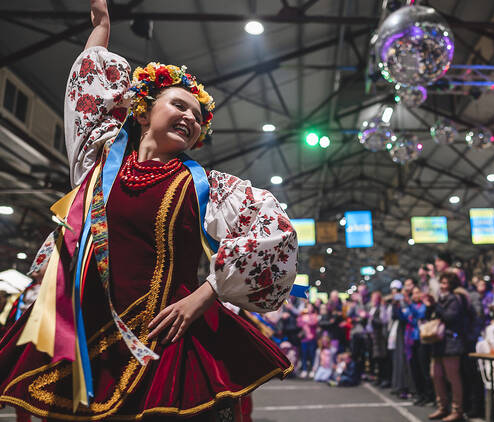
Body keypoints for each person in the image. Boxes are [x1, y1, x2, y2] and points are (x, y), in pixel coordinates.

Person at [0, 1, 298, 419]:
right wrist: (103, 26)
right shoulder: (100, 164)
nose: (190, 117)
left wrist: (203, 297)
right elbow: (90, 90)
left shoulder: (210, 188)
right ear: (143, 111)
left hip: (167, 336)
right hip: (85, 338)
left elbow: (275, 233)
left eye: (197, 116)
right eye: (178, 105)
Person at [428, 272, 470, 422]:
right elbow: (432, 316)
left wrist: (435, 305)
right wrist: (431, 306)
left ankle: (457, 410)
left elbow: (450, 317)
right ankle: (442, 407)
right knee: (436, 375)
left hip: (451, 343)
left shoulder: (454, 299)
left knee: (453, 377)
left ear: (452, 285)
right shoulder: (441, 299)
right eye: (442, 283)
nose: (443, 286)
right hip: (438, 343)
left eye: (446, 283)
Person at [297, 303, 319, 378]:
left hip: (312, 338)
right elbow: (299, 323)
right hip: (304, 339)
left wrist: (306, 320)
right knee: (304, 354)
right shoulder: (302, 315)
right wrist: (306, 320)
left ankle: (313, 370)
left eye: (310, 307)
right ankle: (304, 370)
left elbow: (314, 322)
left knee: (312, 354)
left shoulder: (314, 315)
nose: (309, 308)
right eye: (307, 307)